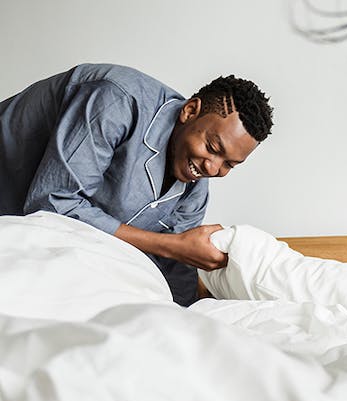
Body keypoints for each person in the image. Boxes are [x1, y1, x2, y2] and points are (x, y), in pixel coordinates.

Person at [0, 64, 274, 306]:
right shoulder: (115, 100)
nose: (213, 168)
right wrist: (171, 245)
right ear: (190, 111)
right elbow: (53, 204)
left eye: (230, 165)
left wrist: (187, 319)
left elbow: (176, 271)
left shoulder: (193, 192)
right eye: (212, 147)